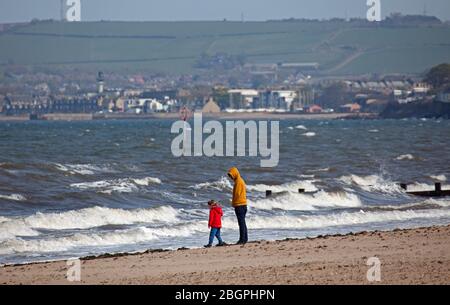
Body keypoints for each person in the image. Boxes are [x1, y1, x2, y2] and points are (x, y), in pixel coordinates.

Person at [227, 167, 248, 245]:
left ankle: (242, 239)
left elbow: (237, 194)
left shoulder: (238, 182)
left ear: (235, 174)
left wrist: (233, 203)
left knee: (241, 223)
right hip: (243, 204)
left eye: (231, 175)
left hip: (240, 205)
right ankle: (244, 239)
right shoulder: (240, 180)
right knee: (243, 223)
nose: (231, 177)